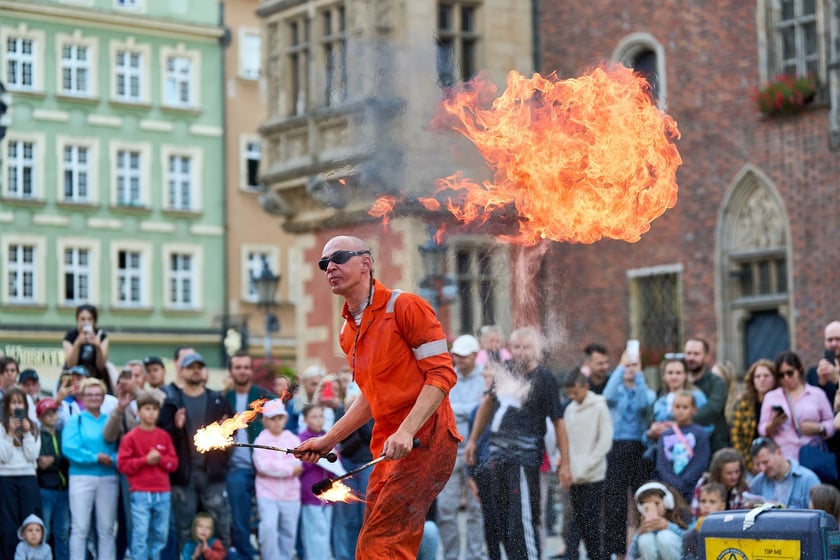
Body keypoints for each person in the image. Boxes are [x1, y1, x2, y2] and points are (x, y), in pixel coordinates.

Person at [296, 235, 461, 559]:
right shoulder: (347, 333)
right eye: (323, 263)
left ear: (366, 263)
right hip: (388, 448)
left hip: (425, 440)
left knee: (380, 545)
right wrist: (329, 439)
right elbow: (372, 397)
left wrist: (407, 430)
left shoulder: (405, 307)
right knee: (373, 545)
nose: (330, 267)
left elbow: (442, 376)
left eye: (339, 257)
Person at [465, 326, 571, 560]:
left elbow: (559, 422)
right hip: (496, 458)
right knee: (503, 522)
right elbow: (487, 404)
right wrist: (473, 440)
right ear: (509, 349)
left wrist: (565, 463)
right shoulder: (504, 371)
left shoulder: (544, 379)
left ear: (536, 350)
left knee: (522, 521)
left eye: (526, 347)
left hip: (523, 460)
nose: (521, 352)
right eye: (517, 347)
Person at [158, 352, 233, 552]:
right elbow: (162, 438)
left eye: (199, 367)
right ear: (181, 371)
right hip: (184, 477)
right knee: (184, 530)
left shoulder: (217, 400)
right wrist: (175, 426)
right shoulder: (173, 403)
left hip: (213, 476)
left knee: (222, 527)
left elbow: (231, 437)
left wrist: (221, 462)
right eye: (191, 367)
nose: (196, 370)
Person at [437, 334, 486, 560]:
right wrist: (469, 410)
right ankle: (451, 556)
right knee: (446, 510)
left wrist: (459, 410)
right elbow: (443, 408)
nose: (459, 360)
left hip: (476, 453)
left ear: (475, 355)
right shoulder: (450, 377)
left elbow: (482, 411)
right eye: (456, 355)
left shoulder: (485, 378)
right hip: (449, 451)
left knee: (476, 510)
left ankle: (475, 556)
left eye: (464, 356)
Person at [602, 349, 655, 560]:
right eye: (627, 367)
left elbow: (644, 404)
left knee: (641, 499)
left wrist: (639, 374)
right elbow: (606, 396)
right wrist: (621, 367)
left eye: (633, 366)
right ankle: (619, 551)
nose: (630, 370)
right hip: (616, 448)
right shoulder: (616, 391)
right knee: (615, 503)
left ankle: (642, 546)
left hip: (639, 448)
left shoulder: (646, 391)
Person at [117, 391, 179, 560]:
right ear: (138, 412)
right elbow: (123, 465)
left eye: (154, 409)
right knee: (140, 533)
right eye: (147, 408)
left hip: (163, 493)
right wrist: (145, 460)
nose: (151, 412)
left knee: (160, 534)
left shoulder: (164, 436)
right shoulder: (130, 438)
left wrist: (160, 459)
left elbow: (173, 464)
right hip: (140, 492)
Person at [223, 351, 273, 560]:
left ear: (251, 370)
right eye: (238, 367)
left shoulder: (263, 397)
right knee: (239, 517)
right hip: (235, 467)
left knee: (269, 519)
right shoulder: (223, 397)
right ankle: (245, 555)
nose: (242, 371)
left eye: (245, 367)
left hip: (263, 467)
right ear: (231, 371)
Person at [62, 378, 119, 560]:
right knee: (80, 528)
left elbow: (121, 448)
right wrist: (95, 457)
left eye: (98, 394)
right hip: (81, 478)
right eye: (89, 394)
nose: (94, 398)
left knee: (107, 529)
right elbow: (69, 447)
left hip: (108, 478)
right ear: (83, 397)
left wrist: (114, 460)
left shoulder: (111, 420)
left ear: (103, 398)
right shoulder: (75, 420)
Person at [563, 369, 612, 560]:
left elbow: (605, 441)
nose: (572, 396)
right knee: (577, 520)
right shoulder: (569, 410)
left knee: (591, 522)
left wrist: (588, 466)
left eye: (575, 391)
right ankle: (572, 554)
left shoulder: (599, 407)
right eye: (569, 393)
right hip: (574, 475)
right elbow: (565, 439)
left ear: (586, 387)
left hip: (594, 475)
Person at [759, 350, 834, 461]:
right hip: (783, 458)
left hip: (811, 455)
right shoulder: (772, 397)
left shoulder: (817, 394)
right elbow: (761, 428)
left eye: (790, 373)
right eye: (781, 375)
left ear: (799, 370)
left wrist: (819, 428)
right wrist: (773, 425)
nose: (786, 378)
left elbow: (832, 423)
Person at [252, 399, 302, 560]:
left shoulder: (292, 440)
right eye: (272, 418)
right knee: (268, 528)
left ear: (285, 418)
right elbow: (263, 466)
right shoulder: (261, 440)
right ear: (265, 420)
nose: (276, 421)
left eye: (279, 417)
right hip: (267, 494)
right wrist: (288, 469)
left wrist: (275, 468)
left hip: (291, 494)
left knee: (289, 531)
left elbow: (298, 466)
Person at [0, 387, 41, 560]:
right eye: (13, 402)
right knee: (8, 525)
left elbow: (33, 455)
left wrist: (26, 434)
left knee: (30, 523)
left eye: (20, 402)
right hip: (5, 477)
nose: (17, 406)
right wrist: (9, 434)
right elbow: (2, 456)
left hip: (28, 477)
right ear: (6, 405)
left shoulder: (32, 427)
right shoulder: (1, 427)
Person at [654, 390, 711, 502]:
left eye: (685, 407)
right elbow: (661, 463)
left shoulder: (700, 433)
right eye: (677, 407)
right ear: (672, 408)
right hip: (669, 489)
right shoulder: (665, 434)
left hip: (692, 488)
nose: (680, 411)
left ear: (694, 409)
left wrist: (684, 482)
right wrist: (672, 483)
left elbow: (701, 461)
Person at [299, 404, 335, 559]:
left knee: (325, 532)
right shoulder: (301, 440)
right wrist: (314, 459)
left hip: (329, 494)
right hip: (310, 494)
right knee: (313, 534)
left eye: (321, 416)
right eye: (314, 416)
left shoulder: (329, 437)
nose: (318, 420)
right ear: (305, 419)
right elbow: (298, 465)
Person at [35, 398, 69, 560]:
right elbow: (40, 462)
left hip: (63, 489)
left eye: (54, 412)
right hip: (45, 489)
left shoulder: (63, 433)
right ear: (40, 417)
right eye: (47, 414)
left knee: (63, 532)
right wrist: (57, 460)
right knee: (44, 530)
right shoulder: (37, 436)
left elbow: (67, 457)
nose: (52, 416)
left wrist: (53, 460)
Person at [730, 359, 777, 472]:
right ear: (752, 380)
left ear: (774, 378)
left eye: (766, 376)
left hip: (776, 458)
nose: (762, 379)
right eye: (758, 376)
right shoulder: (743, 403)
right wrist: (749, 464)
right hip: (749, 461)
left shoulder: (781, 402)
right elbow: (736, 436)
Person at [683, 338, 729, 452]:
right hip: (682, 447)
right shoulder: (679, 381)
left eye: (696, 354)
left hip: (712, 446)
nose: (691, 358)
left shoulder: (717, 383)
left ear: (707, 357)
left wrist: (681, 421)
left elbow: (712, 409)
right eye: (688, 353)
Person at [748, 436, 820, 508]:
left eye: (765, 462)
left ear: (779, 453)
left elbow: (817, 516)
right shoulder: (757, 482)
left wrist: (784, 510)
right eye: (758, 464)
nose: (762, 469)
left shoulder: (808, 480)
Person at [629, 481, 690, 560]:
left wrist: (668, 526)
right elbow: (632, 554)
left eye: (656, 503)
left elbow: (691, 540)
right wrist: (640, 533)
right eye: (647, 506)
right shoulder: (642, 523)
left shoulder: (682, 515)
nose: (653, 508)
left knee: (664, 536)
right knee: (645, 539)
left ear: (667, 502)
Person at [62, 303, 112, 394]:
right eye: (83, 319)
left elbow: (101, 366)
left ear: (94, 321)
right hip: (74, 383)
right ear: (77, 320)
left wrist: (98, 346)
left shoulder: (101, 336)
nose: (86, 322)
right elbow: (70, 365)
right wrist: (77, 344)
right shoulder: (70, 337)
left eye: (90, 319)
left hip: (96, 380)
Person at [689, 448, 748, 516]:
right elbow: (695, 511)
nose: (734, 477)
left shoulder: (743, 488)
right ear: (719, 473)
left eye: (737, 472)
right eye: (729, 473)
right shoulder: (705, 482)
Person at [682, 481, 727, 560]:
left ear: (722, 506)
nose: (706, 506)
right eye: (703, 501)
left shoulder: (728, 525)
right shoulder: (693, 528)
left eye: (712, 502)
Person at [807, 321, 840, 405]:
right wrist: (821, 383)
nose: (833, 344)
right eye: (830, 340)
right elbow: (809, 405)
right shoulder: (813, 374)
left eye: (838, 339)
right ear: (825, 343)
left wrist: (836, 380)